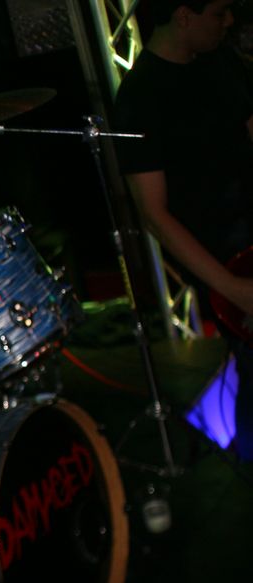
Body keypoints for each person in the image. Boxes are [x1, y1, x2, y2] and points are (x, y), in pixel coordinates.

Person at [112, 0, 253, 459]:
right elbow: (155, 215)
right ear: (183, 15)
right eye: (219, 12)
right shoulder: (139, 98)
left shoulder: (222, 62)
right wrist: (231, 287)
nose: (229, 21)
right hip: (227, 259)